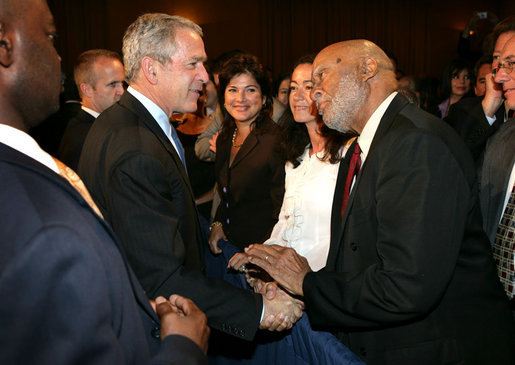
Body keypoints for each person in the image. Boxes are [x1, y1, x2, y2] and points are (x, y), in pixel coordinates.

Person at [236, 39, 515, 364]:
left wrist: (306, 284)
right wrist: (292, 291)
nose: (314, 94)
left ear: (367, 69)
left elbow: (406, 285)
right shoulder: (362, 147)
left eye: (322, 76)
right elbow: (358, 260)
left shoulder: (418, 142)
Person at [0, 0, 209, 363]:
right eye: (50, 36)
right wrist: (183, 349)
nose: (60, 57)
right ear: (4, 45)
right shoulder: (32, 211)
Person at [78, 13, 302, 340]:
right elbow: (162, 278)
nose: (205, 77)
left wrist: (212, 229)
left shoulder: (125, 122)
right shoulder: (137, 149)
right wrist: (262, 310)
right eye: (193, 64)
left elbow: (164, 214)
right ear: (151, 69)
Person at [230, 55, 353, 273]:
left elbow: (345, 236)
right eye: (294, 87)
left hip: (322, 279)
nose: (298, 96)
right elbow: (285, 225)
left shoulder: (347, 154)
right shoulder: (297, 156)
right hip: (287, 279)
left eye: (308, 86)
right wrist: (260, 257)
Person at [208, 53, 285, 253]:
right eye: (232, 90)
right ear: (223, 97)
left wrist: (259, 255)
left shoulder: (275, 142)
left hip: (259, 255)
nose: (240, 99)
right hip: (229, 247)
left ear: (264, 97)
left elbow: (283, 213)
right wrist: (217, 224)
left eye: (250, 90)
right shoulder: (226, 137)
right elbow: (227, 194)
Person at [446, 16, 515, 163]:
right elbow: (451, 161)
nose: (501, 68)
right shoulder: (464, 111)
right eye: (497, 57)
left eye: (510, 61)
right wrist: (489, 107)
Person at [480, 35, 515, 315]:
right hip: (496, 301)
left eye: (511, 64)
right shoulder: (503, 137)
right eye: (499, 65)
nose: (500, 76)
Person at [58, 49, 125, 170]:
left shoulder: (104, 125)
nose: (121, 91)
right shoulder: (83, 138)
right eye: (113, 84)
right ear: (87, 89)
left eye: (122, 83)